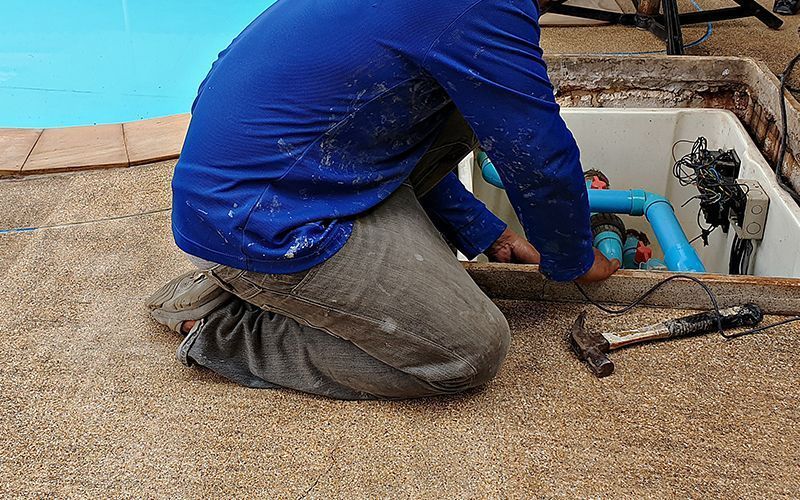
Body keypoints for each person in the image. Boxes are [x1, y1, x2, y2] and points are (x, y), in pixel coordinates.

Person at [147, 0, 619, 400]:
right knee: (468, 352)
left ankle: (266, 285)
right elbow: (539, 158)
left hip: (297, 178)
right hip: (261, 219)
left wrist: (488, 233)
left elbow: (401, 134)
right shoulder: (485, 6)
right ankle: (220, 325)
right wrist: (574, 259)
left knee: (459, 103)